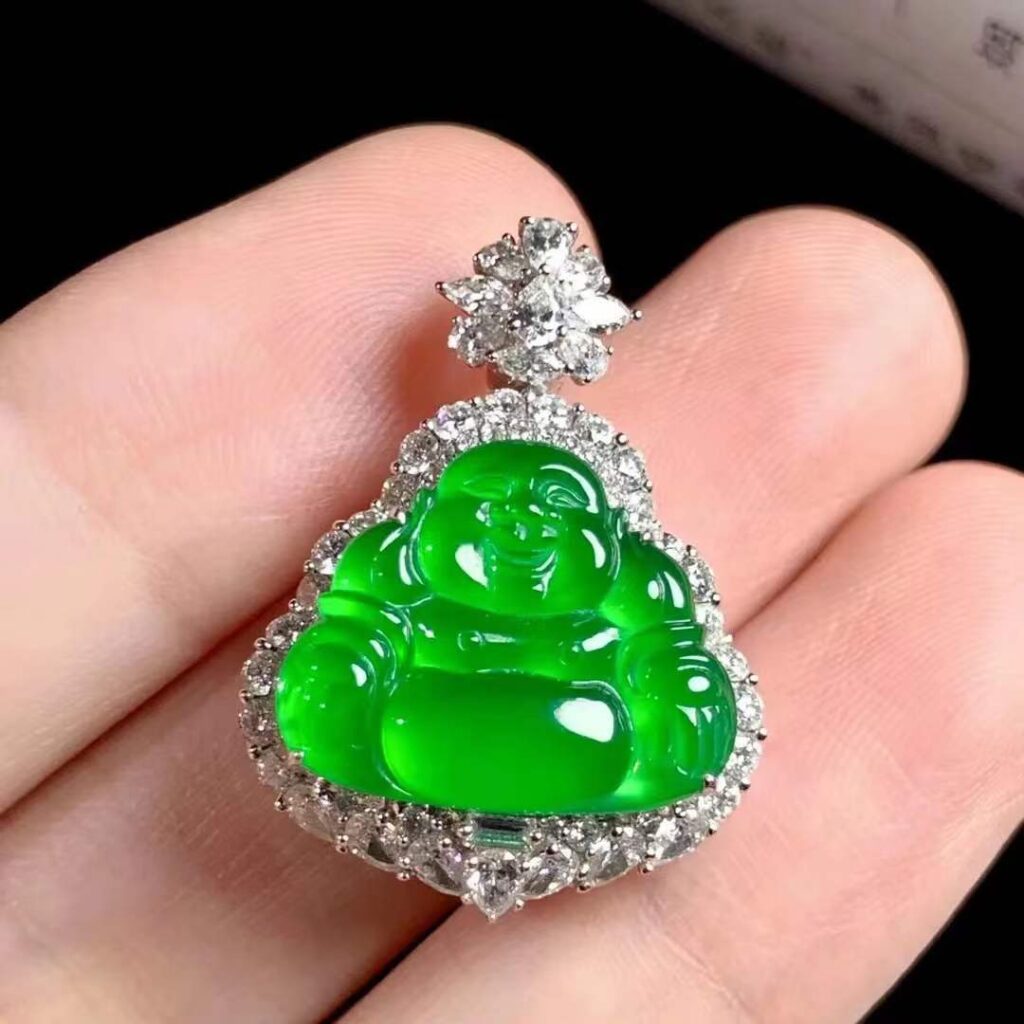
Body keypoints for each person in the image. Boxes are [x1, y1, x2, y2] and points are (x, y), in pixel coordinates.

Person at [1, 125, 1021, 1023]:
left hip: (586, 739)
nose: (519, 532)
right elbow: (345, 635)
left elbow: (673, 656)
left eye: (554, 513)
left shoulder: (638, 578)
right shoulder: (393, 561)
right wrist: (344, 673)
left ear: (607, 527)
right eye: (486, 512)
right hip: (420, 729)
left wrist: (679, 699)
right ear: (432, 515)